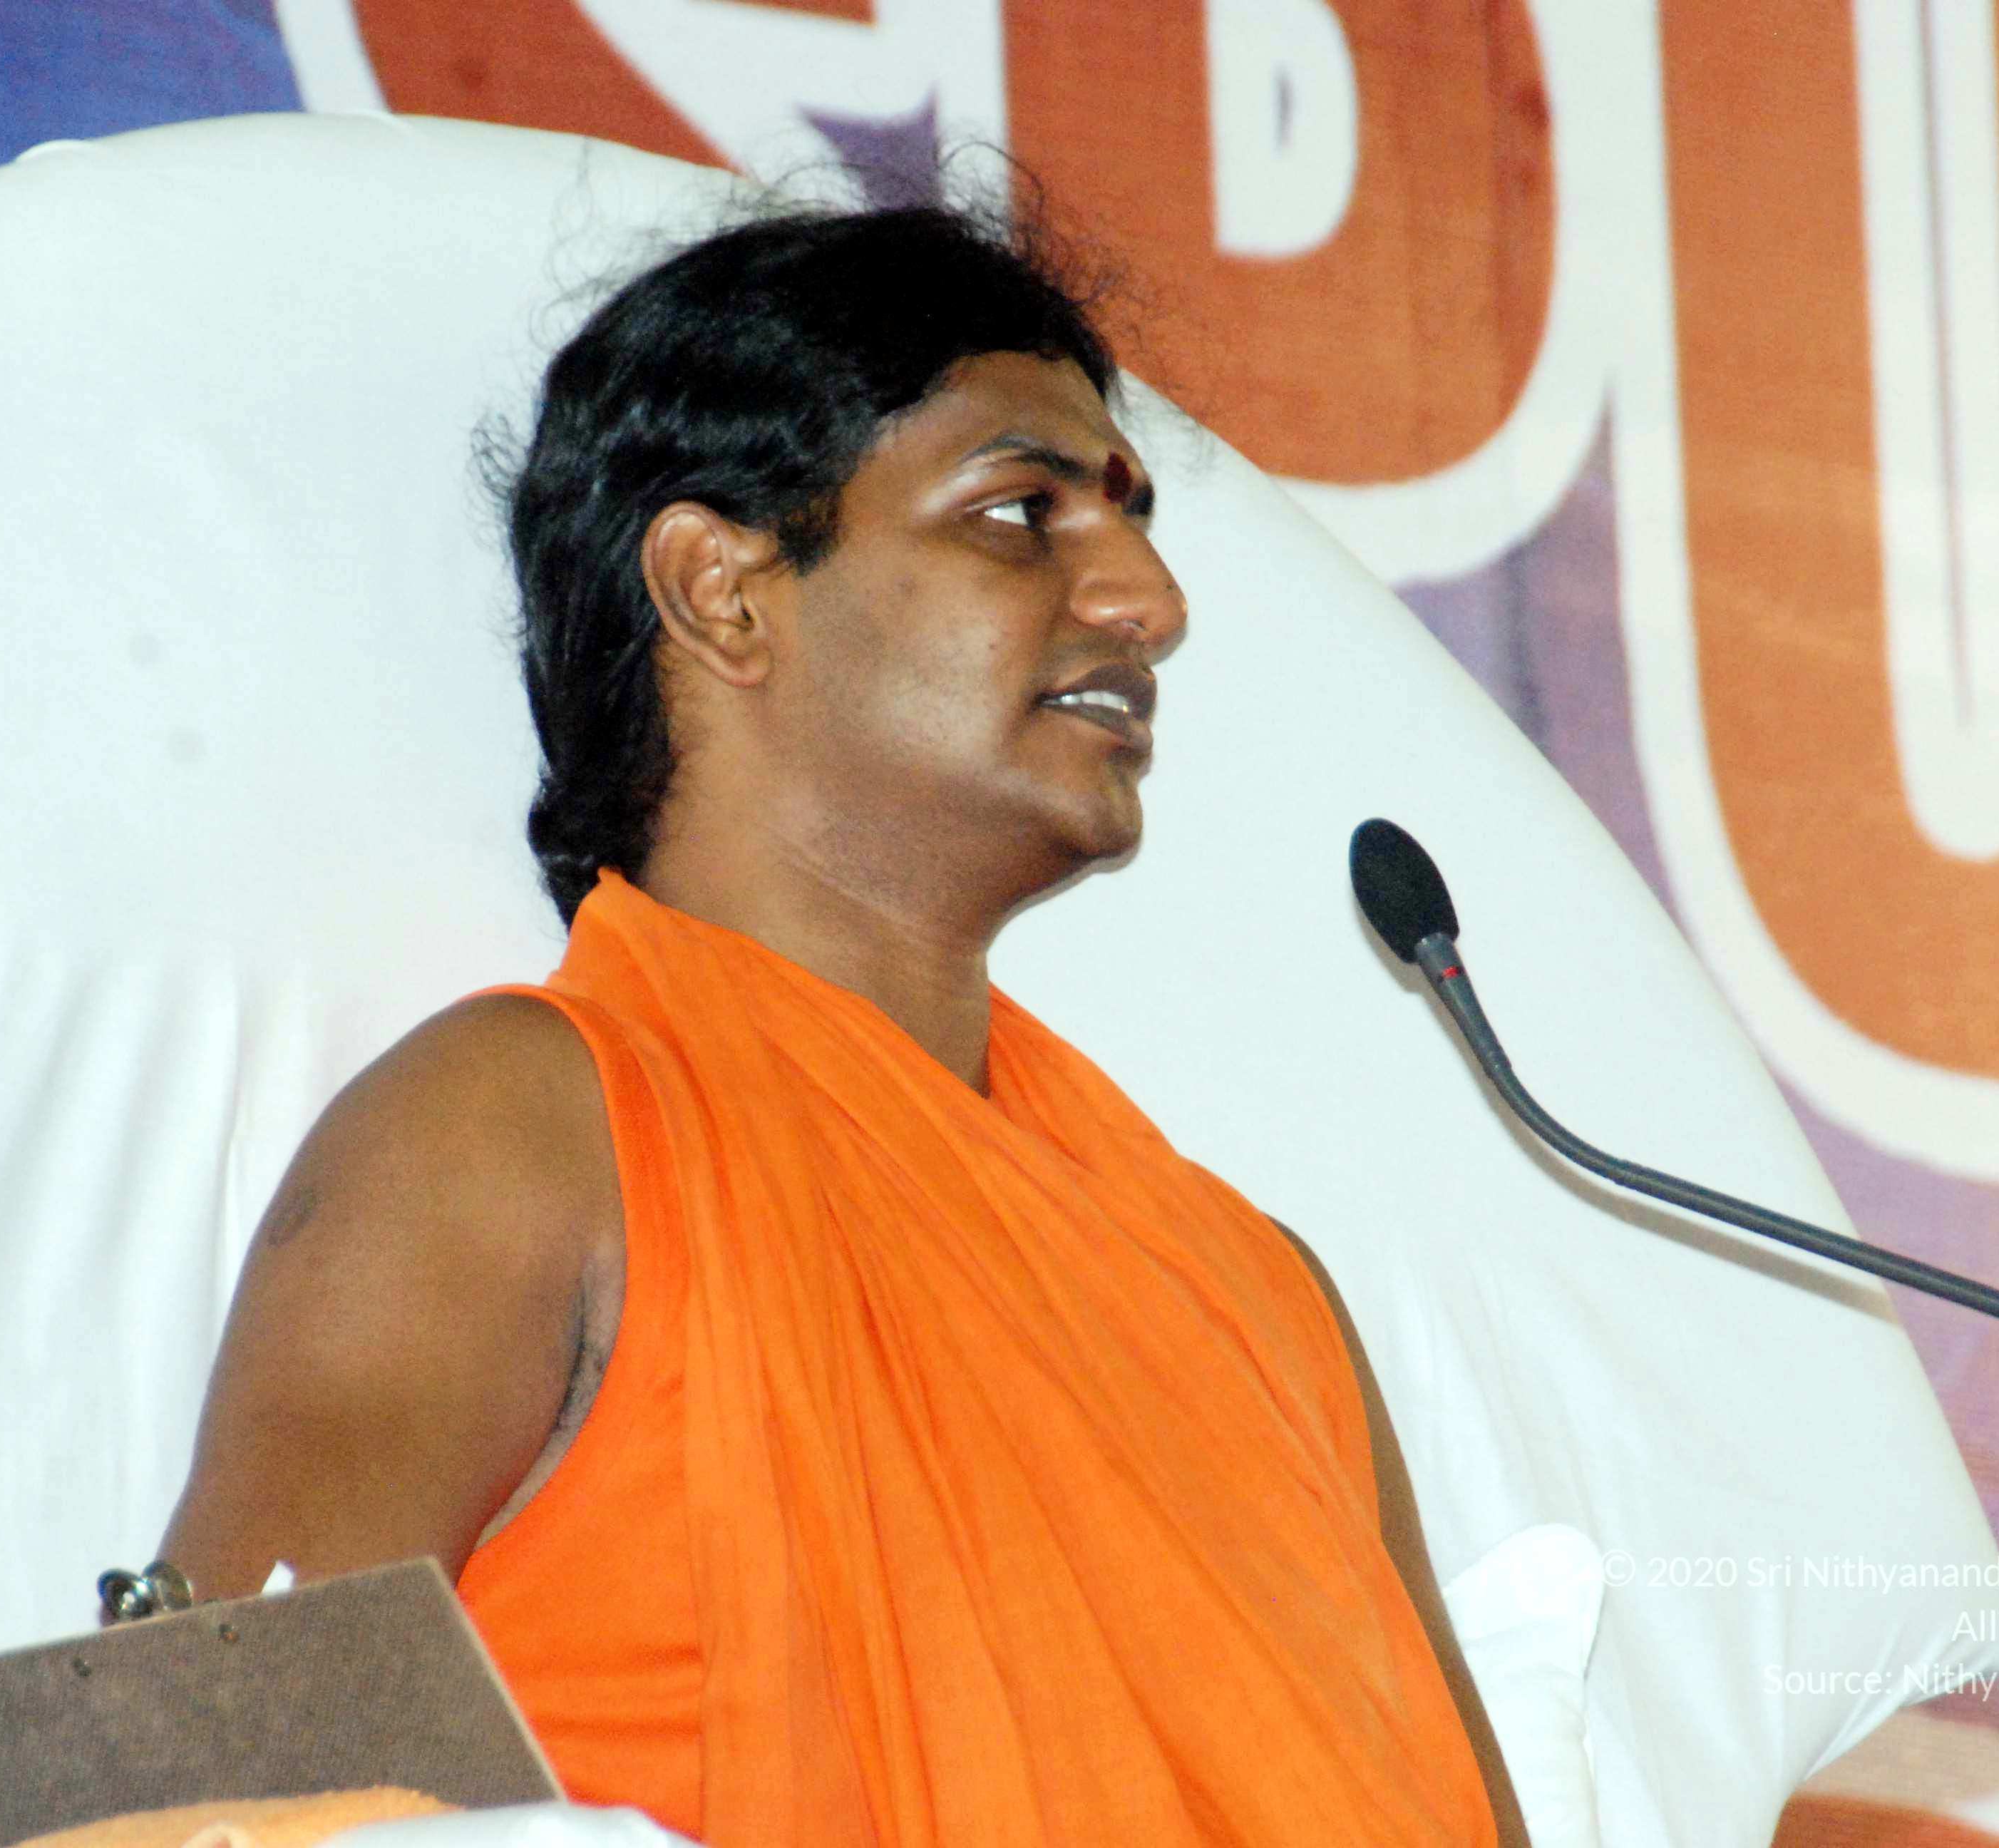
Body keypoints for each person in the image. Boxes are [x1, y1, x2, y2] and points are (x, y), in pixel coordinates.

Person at [155, 195, 1527, 1847]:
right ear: (721, 591)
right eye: (1019, 511)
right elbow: (198, 1813)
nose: (1146, 598)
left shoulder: (1258, 1301)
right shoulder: (512, 1139)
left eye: (1129, 517)